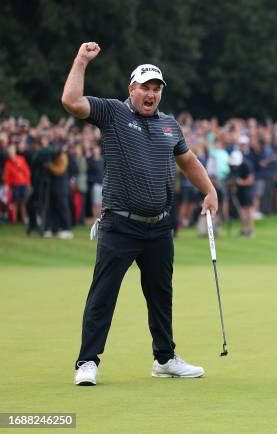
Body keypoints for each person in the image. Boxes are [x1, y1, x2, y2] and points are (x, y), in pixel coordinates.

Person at [61, 42, 218, 386]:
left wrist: (209, 190)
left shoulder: (169, 125)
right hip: (120, 223)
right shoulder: (113, 113)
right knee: (103, 294)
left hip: (160, 227)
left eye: (156, 88)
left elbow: (188, 161)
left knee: (161, 294)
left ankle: (165, 358)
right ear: (131, 89)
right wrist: (81, 62)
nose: (151, 93)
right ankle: (87, 361)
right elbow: (72, 102)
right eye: (144, 87)